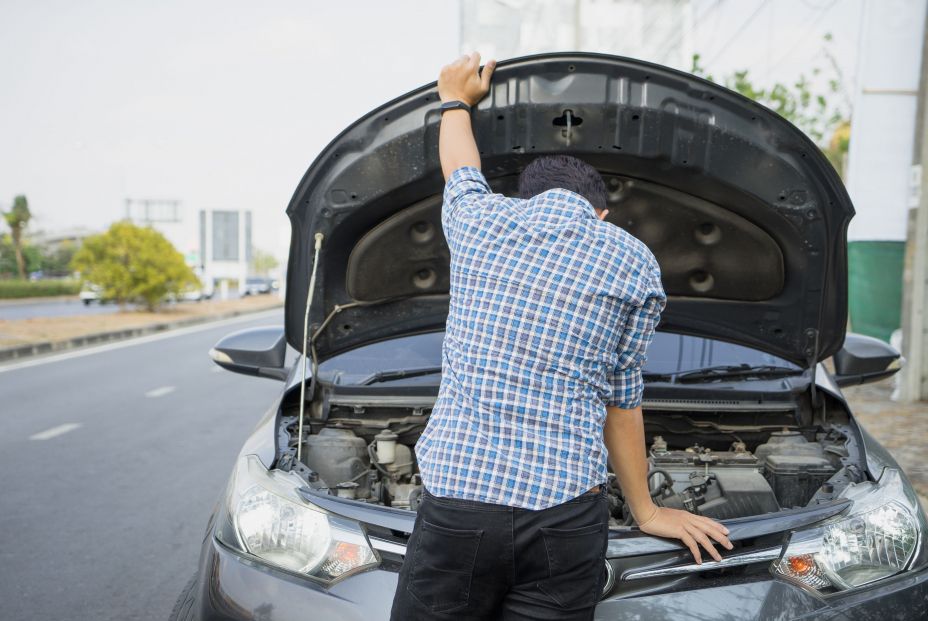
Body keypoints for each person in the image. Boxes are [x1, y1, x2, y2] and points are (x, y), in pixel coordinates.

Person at [390, 52, 733, 621]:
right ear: (600, 214)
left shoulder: (484, 222)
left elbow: (460, 168)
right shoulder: (634, 261)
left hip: (460, 507)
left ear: (528, 201)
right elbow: (622, 401)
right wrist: (646, 512)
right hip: (567, 516)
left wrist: (455, 100)